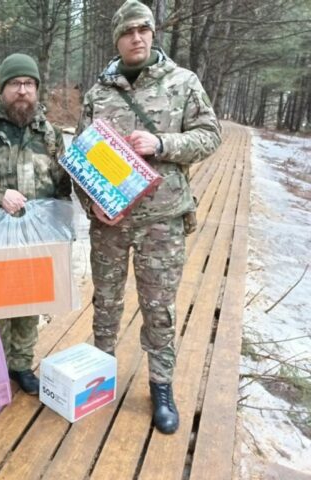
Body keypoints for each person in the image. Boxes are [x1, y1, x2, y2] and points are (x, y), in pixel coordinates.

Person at [73, 0, 221, 434]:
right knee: (106, 303)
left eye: (144, 29)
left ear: (152, 34)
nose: (137, 37)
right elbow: (82, 160)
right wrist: (92, 205)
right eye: (128, 31)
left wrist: (162, 144)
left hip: (163, 219)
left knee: (158, 307)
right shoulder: (99, 93)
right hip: (110, 223)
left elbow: (211, 135)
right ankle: (99, 375)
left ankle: (160, 386)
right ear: (116, 38)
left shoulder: (183, 83)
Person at [0, 53, 72, 395]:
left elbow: (62, 188)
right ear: (2, 89)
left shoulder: (51, 134)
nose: (22, 90)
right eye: (15, 84)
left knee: (29, 304)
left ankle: (21, 365)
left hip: (37, 235)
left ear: (37, 90)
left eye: (29, 84)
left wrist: (63, 234)